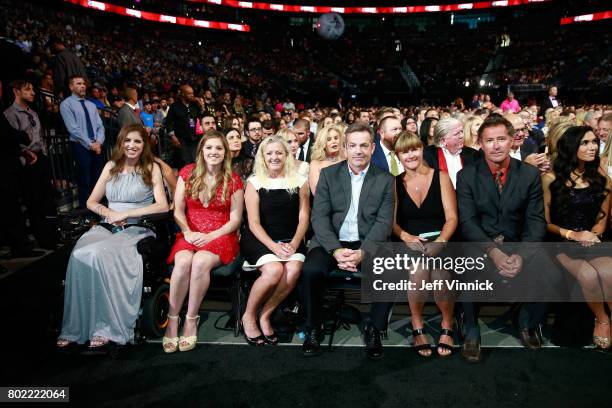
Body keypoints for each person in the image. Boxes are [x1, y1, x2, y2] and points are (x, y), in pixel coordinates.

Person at [56, 124, 168, 349]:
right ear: (120, 143)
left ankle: (106, 327)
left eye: (137, 141)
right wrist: (110, 214)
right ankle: (76, 325)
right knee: (79, 254)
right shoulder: (110, 167)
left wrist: (126, 213)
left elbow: (163, 206)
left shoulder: (151, 168)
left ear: (144, 144)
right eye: (127, 141)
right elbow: (91, 201)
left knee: (99, 253)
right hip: (108, 225)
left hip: (139, 227)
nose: (132, 145)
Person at [456, 116, 548, 362]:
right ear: (480, 143)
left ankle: (526, 321)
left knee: (548, 267)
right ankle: (471, 329)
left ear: (511, 141)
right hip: (481, 243)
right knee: (466, 265)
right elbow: (468, 223)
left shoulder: (528, 174)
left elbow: (536, 221)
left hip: (517, 244)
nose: (495, 145)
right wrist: (493, 252)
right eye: (489, 140)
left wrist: (522, 254)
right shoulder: (466, 176)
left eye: (501, 139)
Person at [301, 122, 394, 359]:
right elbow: (319, 217)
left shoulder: (385, 179)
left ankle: (375, 328)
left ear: (373, 148)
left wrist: (363, 252)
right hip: (331, 242)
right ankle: (313, 326)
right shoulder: (329, 175)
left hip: (367, 243)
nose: (358, 151)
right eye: (353, 145)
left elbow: (384, 223)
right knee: (311, 270)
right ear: (345, 147)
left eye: (364, 145)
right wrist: (335, 250)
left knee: (390, 271)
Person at [164, 131, 244, 352]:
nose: (213, 152)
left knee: (199, 262)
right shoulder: (187, 173)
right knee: (182, 263)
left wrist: (210, 235)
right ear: (201, 151)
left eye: (219, 148)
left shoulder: (233, 180)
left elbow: (236, 220)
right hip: (190, 233)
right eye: (209, 148)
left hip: (221, 236)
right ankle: (172, 319)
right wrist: (187, 231)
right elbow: (178, 210)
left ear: (225, 153)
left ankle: (190, 319)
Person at [542, 126, 612, 351]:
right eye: (585, 143)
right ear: (571, 147)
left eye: (594, 142)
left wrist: (593, 235)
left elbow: (603, 217)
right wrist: (573, 234)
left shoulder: (602, 177)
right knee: (589, 276)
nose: (592, 147)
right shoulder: (550, 178)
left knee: (609, 273)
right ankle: (602, 319)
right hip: (562, 241)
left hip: (593, 239)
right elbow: (546, 223)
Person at [392, 131, 458, 357]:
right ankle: (417, 325)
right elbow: (392, 223)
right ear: (397, 156)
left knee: (440, 275)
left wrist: (440, 241)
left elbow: (452, 218)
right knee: (419, 271)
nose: (410, 155)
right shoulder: (394, 183)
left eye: (414, 149)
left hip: (442, 239)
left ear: (421, 149)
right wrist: (406, 237)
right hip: (411, 242)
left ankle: (447, 324)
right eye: (404, 151)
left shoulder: (441, 177)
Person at [240, 135, 310, 345]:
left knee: (293, 269)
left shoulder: (300, 181)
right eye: (269, 153)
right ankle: (249, 315)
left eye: (279, 152)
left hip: (291, 238)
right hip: (260, 239)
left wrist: (295, 243)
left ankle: (265, 314)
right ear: (262, 156)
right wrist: (273, 247)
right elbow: (253, 223)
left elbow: (304, 216)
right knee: (274, 270)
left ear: (286, 155)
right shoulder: (254, 182)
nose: (274, 157)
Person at [3, 79, 58, 249]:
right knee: (33, 202)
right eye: (27, 90)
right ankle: (43, 239)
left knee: (48, 199)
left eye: (33, 89)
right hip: (26, 162)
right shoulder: (10, 114)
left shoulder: (33, 113)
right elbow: (11, 141)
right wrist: (24, 155)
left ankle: (53, 235)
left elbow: (39, 137)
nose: (33, 93)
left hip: (41, 158)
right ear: (16, 91)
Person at [59, 75, 105, 208]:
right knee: (84, 181)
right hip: (80, 147)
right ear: (71, 87)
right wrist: (91, 144)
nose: (83, 86)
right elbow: (73, 129)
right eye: (78, 84)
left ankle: (100, 210)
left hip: (96, 146)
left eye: (84, 83)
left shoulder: (91, 105)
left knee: (98, 180)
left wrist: (99, 142)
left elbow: (100, 126)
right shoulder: (66, 104)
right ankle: (86, 214)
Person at [424, 118, 479, 188]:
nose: (462, 136)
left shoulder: (473, 154)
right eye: (457, 134)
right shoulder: (427, 155)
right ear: (443, 140)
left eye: (462, 131)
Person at [164, 84, 203, 168]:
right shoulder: (174, 106)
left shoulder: (195, 105)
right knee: (185, 161)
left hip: (194, 138)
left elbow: (201, 118)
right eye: (189, 93)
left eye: (192, 93)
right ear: (183, 94)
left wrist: (201, 106)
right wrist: (173, 137)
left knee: (196, 160)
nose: (192, 95)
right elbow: (168, 123)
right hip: (181, 138)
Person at [308, 124, 346, 195]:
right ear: (323, 143)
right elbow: (317, 193)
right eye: (329, 139)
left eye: (336, 138)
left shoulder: (347, 158)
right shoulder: (316, 164)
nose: (333, 141)